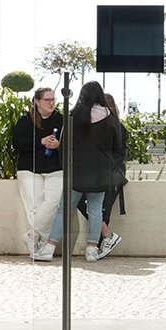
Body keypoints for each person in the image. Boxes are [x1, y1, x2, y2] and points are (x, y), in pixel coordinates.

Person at [41, 81, 125, 263]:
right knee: (95, 210)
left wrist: (67, 167)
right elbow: (118, 149)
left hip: (76, 172)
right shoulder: (110, 119)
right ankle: (92, 250)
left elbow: (63, 147)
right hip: (100, 174)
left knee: (64, 210)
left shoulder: (72, 117)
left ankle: (49, 248)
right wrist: (108, 167)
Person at [11, 86, 64, 262]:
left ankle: (31, 235)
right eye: (47, 100)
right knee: (34, 207)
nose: (51, 103)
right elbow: (17, 143)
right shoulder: (26, 121)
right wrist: (40, 141)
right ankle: (36, 244)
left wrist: (58, 146)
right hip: (29, 169)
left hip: (55, 169)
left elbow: (71, 144)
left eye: (53, 99)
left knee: (53, 203)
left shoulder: (61, 120)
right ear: (37, 102)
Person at [76, 93, 126, 259]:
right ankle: (106, 237)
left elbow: (119, 154)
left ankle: (100, 242)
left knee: (99, 209)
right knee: (90, 206)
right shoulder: (101, 126)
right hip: (99, 174)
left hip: (110, 176)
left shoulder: (118, 128)